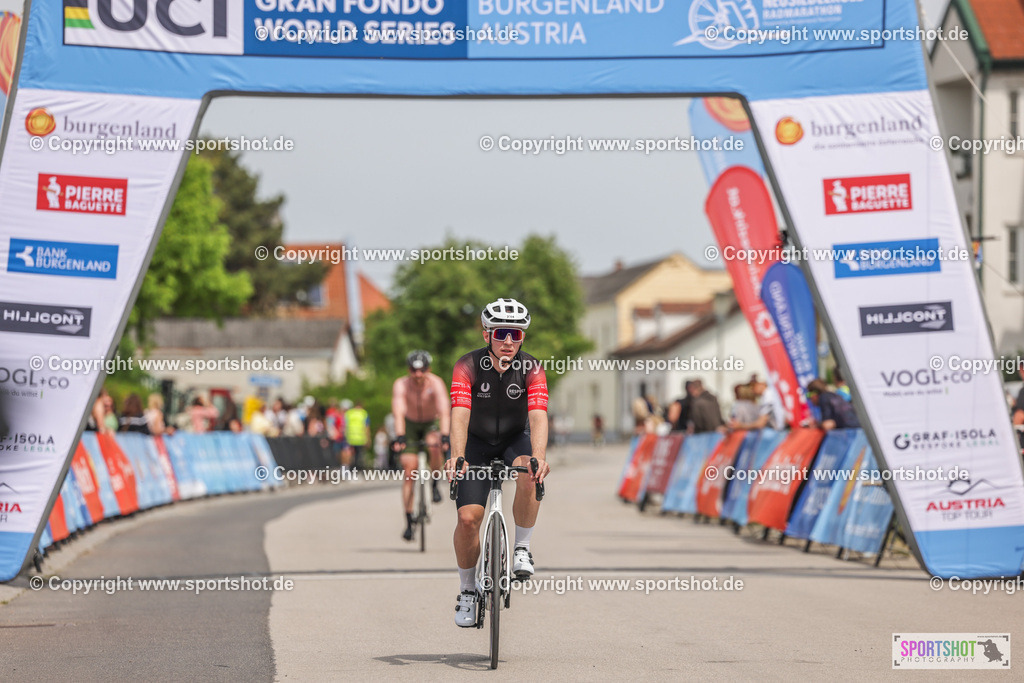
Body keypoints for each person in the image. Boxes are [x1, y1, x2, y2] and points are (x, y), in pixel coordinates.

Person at [445, 297, 550, 628]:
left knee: (531, 472)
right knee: (466, 519)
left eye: (516, 335)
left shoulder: (531, 368)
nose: (508, 341)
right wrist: (457, 455)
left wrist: (539, 457)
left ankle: (522, 548)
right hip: (475, 444)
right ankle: (466, 590)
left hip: (512, 440)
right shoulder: (467, 365)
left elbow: (538, 416)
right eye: (502, 333)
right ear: (486, 333)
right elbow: (460, 415)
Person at [391, 349, 451, 541]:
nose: (418, 374)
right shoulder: (400, 384)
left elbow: (444, 411)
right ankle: (409, 520)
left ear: (428, 369)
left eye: (422, 370)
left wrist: (445, 435)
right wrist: (400, 436)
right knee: (409, 470)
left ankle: (434, 484)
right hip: (409, 423)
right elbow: (398, 412)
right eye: (413, 370)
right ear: (408, 370)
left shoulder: (436, 383)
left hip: (430, 422)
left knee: (434, 446)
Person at [345, 400, 370, 471]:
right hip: (360, 438)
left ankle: (349, 470)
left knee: (351, 455)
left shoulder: (349, 413)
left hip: (350, 438)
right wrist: (368, 439)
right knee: (359, 457)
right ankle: (358, 471)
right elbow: (367, 427)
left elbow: (345, 426)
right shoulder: (363, 413)